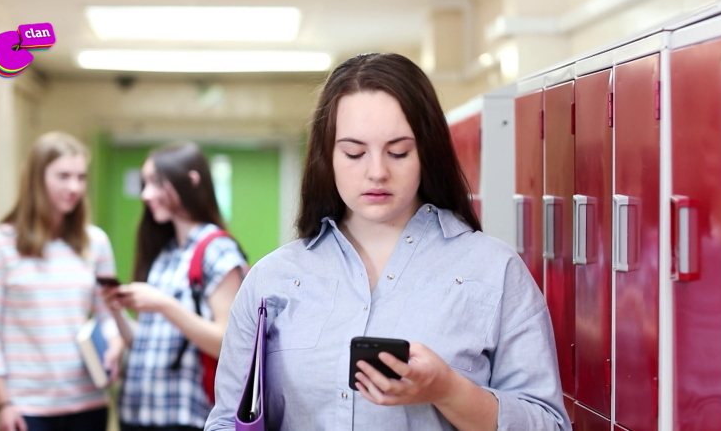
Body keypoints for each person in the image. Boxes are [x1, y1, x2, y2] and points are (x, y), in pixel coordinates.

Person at [204, 53, 571, 431]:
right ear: (325, 157)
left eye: (398, 152)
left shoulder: (494, 271)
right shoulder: (272, 280)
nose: (377, 172)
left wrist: (447, 390)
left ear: (426, 153)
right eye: (354, 153)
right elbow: (226, 422)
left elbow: (550, 424)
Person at [0, 131, 124, 431]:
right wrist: (3, 403)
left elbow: (107, 314)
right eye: (63, 176)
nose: (74, 187)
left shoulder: (95, 242)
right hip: (27, 406)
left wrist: (116, 342)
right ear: (36, 179)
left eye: (81, 177)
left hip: (88, 402)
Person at [101, 142, 247, 431]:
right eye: (145, 184)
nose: (146, 195)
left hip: (185, 417)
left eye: (156, 182)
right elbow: (143, 342)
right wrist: (116, 310)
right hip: (137, 414)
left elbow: (227, 344)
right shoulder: (165, 252)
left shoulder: (218, 250)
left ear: (190, 182)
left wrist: (163, 304)